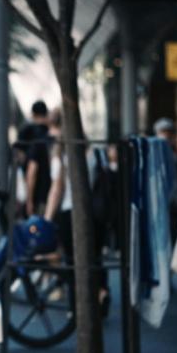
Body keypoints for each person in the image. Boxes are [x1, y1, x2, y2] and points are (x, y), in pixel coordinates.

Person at [43, 109, 110, 317]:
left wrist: (46, 217)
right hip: (95, 213)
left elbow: (57, 189)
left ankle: (79, 308)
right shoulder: (93, 153)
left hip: (68, 213)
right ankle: (101, 291)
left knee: (72, 261)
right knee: (94, 257)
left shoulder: (61, 155)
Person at [15, 100, 52, 218]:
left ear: (33, 114)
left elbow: (32, 170)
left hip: (35, 193)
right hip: (51, 191)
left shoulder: (27, 133)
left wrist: (29, 200)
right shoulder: (50, 134)